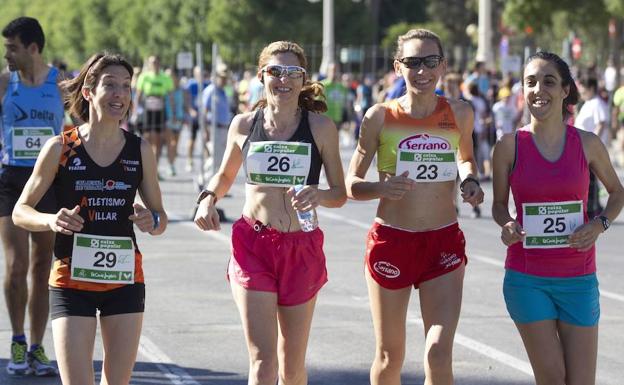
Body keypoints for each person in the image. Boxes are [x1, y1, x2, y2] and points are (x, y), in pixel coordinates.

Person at [194, 41, 346, 385]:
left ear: (303, 80)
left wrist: (318, 194)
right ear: (261, 75)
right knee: (263, 363)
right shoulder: (244, 125)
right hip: (254, 245)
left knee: (291, 368)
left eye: (293, 73)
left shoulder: (321, 128)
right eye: (276, 71)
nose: (284, 80)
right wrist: (207, 198)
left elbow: (340, 194)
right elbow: (225, 175)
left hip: (300, 247)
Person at [12, 52, 167, 385]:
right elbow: (20, 211)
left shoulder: (140, 150)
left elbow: (160, 218)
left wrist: (149, 220)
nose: (120, 95)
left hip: (124, 279)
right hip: (71, 281)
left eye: (126, 86)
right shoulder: (60, 147)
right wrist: (52, 220)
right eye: (110, 85)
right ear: (88, 92)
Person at [346, 29, 483, 385]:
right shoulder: (379, 117)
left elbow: (465, 158)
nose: (422, 70)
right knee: (390, 357)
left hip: (443, 242)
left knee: (438, 354)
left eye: (430, 61)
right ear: (398, 67)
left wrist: (469, 181)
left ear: (442, 65)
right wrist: (381, 187)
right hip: (393, 240)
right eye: (412, 62)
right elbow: (351, 185)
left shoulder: (460, 113)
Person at [492, 51, 624, 385]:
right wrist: (507, 224)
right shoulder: (509, 146)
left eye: (549, 81)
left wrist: (600, 223)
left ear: (566, 90)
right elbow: (497, 206)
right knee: (551, 378)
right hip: (527, 277)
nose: (538, 90)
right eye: (530, 82)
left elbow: (618, 193)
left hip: (578, 278)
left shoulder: (587, 144)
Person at [0, 16, 63, 376]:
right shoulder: (5, 83)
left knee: (42, 268)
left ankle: (38, 345)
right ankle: (18, 339)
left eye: (12, 47)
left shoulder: (60, 84)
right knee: (15, 266)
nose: (7, 53)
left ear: (33, 48)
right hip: (11, 179)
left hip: (48, 180)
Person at [575, 77, 610, 218]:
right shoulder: (588, 103)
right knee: (589, 179)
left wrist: (592, 144)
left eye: (583, 88)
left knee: (591, 180)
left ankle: (593, 209)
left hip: (589, 150)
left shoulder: (597, 104)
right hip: (582, 148)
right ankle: (595, 207)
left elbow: (601, 123)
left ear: (590, 88)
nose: (581, 92)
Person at [133, 55, 174, 172]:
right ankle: (145, 165)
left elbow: (170, 96)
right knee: (147, 138)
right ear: (149, 64)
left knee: (159, 139)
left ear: (159, 64)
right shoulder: (144, 77)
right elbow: (138, 95)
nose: (155, 65)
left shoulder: (165, 77)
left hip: (160, 110)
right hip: (148, 109)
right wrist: (135, 111)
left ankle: (155, 168)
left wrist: (174, 113)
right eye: (152, 63)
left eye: (156, 62)